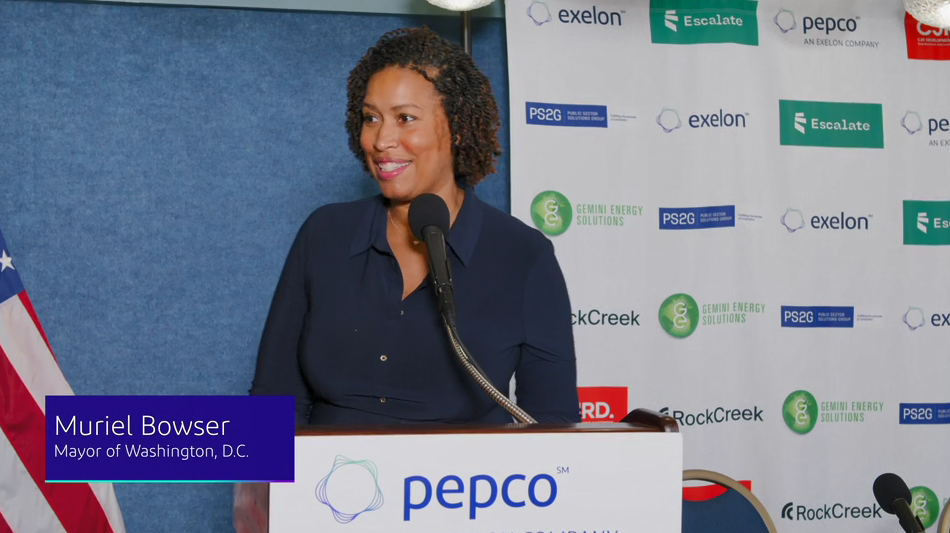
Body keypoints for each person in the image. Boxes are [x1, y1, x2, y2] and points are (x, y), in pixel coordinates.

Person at [248, 26, 579, 426]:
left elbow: (553, 423)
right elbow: (275, 395)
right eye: (371, 118)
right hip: (326, 484)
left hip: (462, 486)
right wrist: (259, 484)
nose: (382, 139)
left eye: (405, 118)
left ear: (456, 127)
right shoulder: (325, 233)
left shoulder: (523, 255)